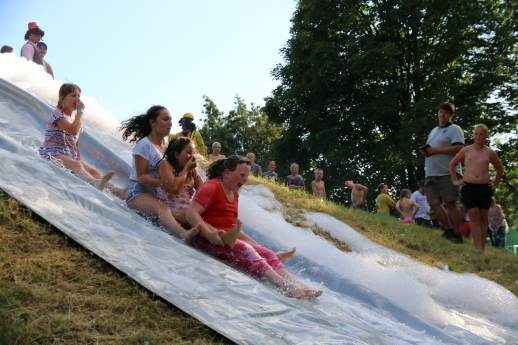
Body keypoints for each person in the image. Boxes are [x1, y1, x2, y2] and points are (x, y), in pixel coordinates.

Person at [186, 156, 322, 299]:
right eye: (242, 175)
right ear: (227, 173)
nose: (245, 179)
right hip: (208, 240)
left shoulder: (234, 193)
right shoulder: (212, 186)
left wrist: (264, 250)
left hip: (229, 239)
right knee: (246, 249)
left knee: (267, 253)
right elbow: (191, 213)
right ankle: (286, 286)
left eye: (247, 175)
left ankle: (297, 283)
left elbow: (237, 232)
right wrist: (208, 233)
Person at [120, 105, 200, 242]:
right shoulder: (144, 145)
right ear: (153, 122)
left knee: (183, 213)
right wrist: (165, 184)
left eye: (171, 119)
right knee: (162, 208)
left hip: (158, 195)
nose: (170, 123)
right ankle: (183, 234)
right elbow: (141, 178)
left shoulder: (167, 147)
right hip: (138, 192)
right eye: (165, 119)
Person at [38, 83, 127, 199]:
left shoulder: (75, 118)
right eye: (73, 96)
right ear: (62, 99)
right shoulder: (57, 113)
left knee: (92, 170)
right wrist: (80, 112)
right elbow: (73, 131)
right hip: (52, 153)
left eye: (79, 96)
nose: (77, 99)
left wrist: (78, 156)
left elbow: (75, 142)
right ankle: (95, 183)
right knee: (77, 165)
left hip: (69, 155)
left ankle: (117, 191)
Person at [157, 138, 239, 247]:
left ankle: (237, 238)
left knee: (203, 216)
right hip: (170, 212)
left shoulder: (193, 171)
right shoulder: (166, 164)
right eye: (189, 153)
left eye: (194, 153)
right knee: (191, 216)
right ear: (176, 154)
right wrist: (186, 169)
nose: (193, 156)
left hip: (186, 212)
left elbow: (205, 191)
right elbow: (174, 188)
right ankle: (222, 236)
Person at [449, 124, 504, 253]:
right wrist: (454, 180)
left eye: (480, 134)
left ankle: (482, 248)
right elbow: (452, 164)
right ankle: (477, 248)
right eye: (475, 134)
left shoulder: (490, 152)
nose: (477, 136)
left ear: (486, 136)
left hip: (485, 187)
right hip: (468, 186)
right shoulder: (466, 150)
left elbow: (499, 168)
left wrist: (495, 184)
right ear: (473, 135)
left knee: (483, 216)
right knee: (473, 214)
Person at [419, 102, 464, 243]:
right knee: (433, 202)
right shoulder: (433, 131)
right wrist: (425, 151)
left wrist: (437, 150)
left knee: (451, 203)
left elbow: (459, 148)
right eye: (440, 111)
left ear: (451, 115)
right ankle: (448, 230)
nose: (442, 114)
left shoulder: (455, 129)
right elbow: (433, 150)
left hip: (447, 172)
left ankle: (457, 234)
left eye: (445, 112)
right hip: (432, 173)